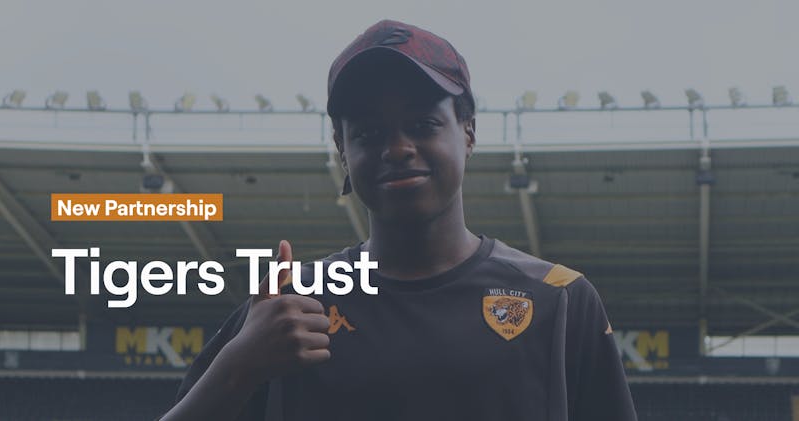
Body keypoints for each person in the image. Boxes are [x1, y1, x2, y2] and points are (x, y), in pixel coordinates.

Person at [161, 19, 638, 421]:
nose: (396, 148)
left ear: (467, 130)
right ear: (342, 149)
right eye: (369, 132)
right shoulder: (287, 307)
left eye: (422, 124)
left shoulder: (561, 301)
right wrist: (238, 368)